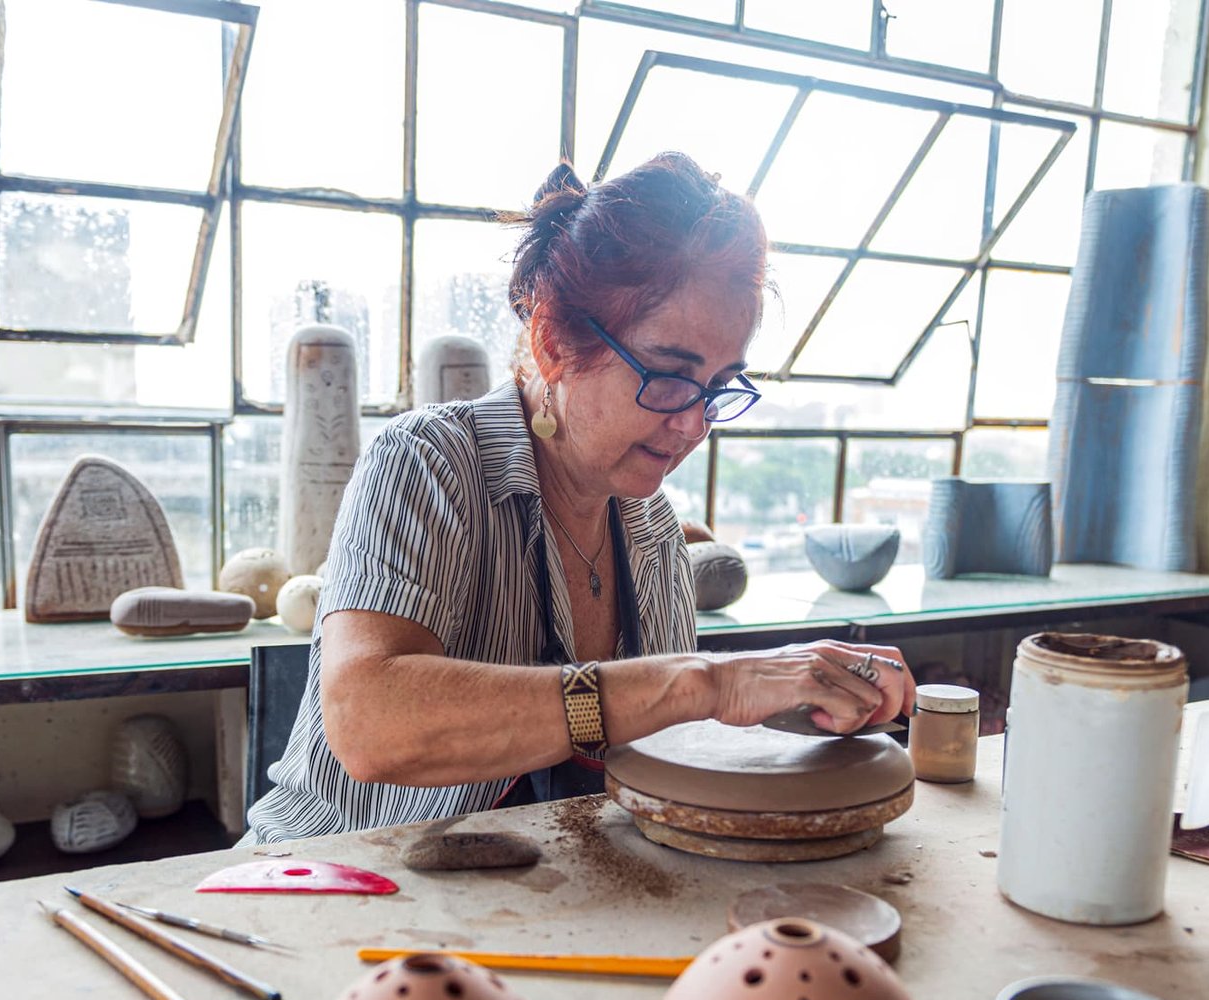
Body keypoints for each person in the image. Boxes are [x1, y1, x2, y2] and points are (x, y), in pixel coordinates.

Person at [246, 153, 914, 841]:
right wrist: (706, 683)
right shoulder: (428, 462)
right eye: (668, 374)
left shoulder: (649, 524)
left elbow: (654, 730)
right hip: (332, 885)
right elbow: (370, 722)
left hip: (520, 889)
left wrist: (794, 704)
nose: (693, 423)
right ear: (554, 339)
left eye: (720, 386)